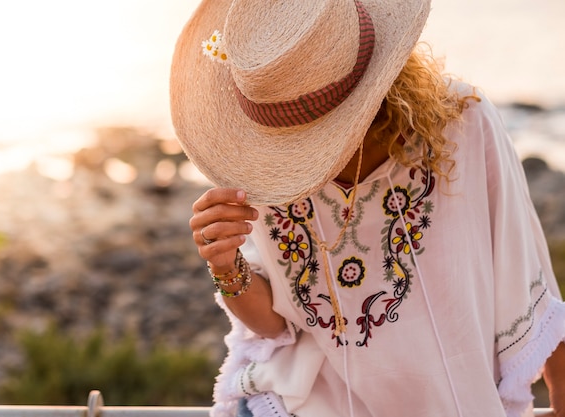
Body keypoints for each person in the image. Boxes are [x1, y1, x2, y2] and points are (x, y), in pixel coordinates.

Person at [169, 0, 565, 416]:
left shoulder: (462, 122)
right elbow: (275, 324)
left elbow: (527, 270)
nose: (299, 150)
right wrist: (225, 264)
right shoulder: (262, 166)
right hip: (305, 404)